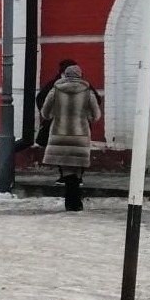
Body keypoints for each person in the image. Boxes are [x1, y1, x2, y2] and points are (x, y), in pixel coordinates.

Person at [41, 63, 101, 212]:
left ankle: (71, 203)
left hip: (59, 135)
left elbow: (45, 113)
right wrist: (84, 116)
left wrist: (56, 114)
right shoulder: (88, 92)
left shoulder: (55, 91)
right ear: (80, 75)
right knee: (76, 169)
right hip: (79, 135)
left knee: (66, 169)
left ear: (65, 75)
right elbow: (96, 116)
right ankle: (76, 203)